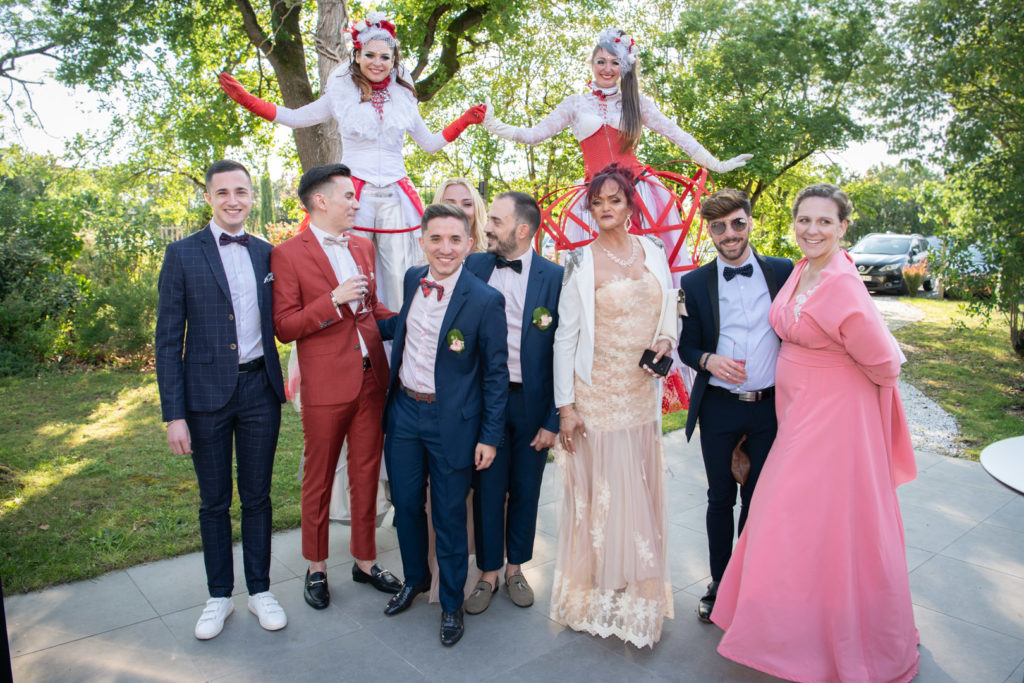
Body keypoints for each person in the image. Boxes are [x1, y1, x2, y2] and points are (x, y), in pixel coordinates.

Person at [712, 184, 920, 682]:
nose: (812, 230)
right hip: (801, 415)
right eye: (804, 220)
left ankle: (826, 636)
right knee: (803, 524)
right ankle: (794, 626)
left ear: (844, 227)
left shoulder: (844, 285)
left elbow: (887, 362)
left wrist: (846, 399)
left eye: (825, 222)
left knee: (794, 516)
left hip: (833, 421)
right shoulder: (804, 269)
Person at [218, 10, 485, 310]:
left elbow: (430, 143)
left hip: (396, 194)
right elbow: (295, 118)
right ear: (357, 55)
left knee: (398, 276)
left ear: (394, 61)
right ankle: (354, 348)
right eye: (370, 55)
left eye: (386, 57)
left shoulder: (404, 98)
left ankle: (396, 348)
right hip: (353, 195)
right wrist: (249, 101)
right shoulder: (340, 93)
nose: (377, 63)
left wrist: (465, 121)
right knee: (351, 273)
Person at [481, 28, 751, 280]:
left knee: (652, 267)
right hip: (596, 198)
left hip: (638, 195)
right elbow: (533, 135)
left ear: (624, 67)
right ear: (591, 64)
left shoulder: (636, 102)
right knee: (592, 273)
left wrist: (717, 164)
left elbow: (677, 135)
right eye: (601, 61)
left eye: (614, 62)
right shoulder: (575, 104)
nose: (607, 68)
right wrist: (493, 124)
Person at [155, 160, 287, 639]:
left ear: (252, 197)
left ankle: (259, 590)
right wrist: (174, 414)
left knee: (257, 497)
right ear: (209, 197)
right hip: (204, 397)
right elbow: (168, 340)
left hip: (259, 390)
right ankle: (218, 596)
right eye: (224, 191)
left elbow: (288, 319)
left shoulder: (271, 254)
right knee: (214, 502)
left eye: (242, 191)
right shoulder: (182, 254)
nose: (234, 199)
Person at [551, 163, 677, 648]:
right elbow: (565, 338)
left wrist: (667, 339)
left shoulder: (655, 252)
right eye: (598, 201)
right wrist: (566, 406)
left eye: (615, 201)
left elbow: (670, 307)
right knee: (602, 495)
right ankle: (598, 592)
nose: (605, 208)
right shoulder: (580, 262)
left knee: (638, 492)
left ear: (630, 206)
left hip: (641, 393)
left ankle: (635, 591)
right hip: (597, 393)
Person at [270, 164, 402, 610]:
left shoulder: (363, 246)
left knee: (366, 473)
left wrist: (412, 319)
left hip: (372, 381)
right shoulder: (287, 255)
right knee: (320, 478)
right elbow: (285, 327)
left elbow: (373, 309)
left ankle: (365, 560)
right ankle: (316, 566)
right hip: (325, 385)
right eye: (348, 195)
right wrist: (331, 301)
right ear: (321, 201)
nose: (356, 202)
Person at [377, 202, 509, 646]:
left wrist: (490, 436)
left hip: (452, 422)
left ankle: (451, 602)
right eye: (436, 238)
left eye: (455, 239)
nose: (445, 248)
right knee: (408, 505)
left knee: (450, 515)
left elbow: (495, 375)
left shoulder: (486, 300)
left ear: (469, 244)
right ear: (423, 241)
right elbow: (403, 333)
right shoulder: (413, 279)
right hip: (404, 413)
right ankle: (414, 579)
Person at [676, 189, 793, 623]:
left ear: (750, 222)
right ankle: (720, 583)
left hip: (770, 409)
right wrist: (709, 360)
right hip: (719, 408)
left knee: (759, 499)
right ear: (710, 230)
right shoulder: (692, 283)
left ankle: (754, 581)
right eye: (719, 226)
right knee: (720, 498)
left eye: (737, 223)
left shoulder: (783, 272)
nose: (730, 234)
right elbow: (686, 348)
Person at [462, 191, 562, 614]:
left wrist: (554, 419)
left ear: (522, 230)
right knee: (487, 487)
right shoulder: (473, 265)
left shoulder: (555, 277)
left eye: (496, 222)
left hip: (531, 404)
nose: (486, 227)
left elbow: (566, 351)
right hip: (485, 403)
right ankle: (486, 573)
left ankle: (515, 568)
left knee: (525, 487)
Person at [430, 177, 487, 252]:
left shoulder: (497, 255)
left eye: (467, 204)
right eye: (449, 205)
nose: (459, 211)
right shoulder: (423, 255)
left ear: (477, 209)